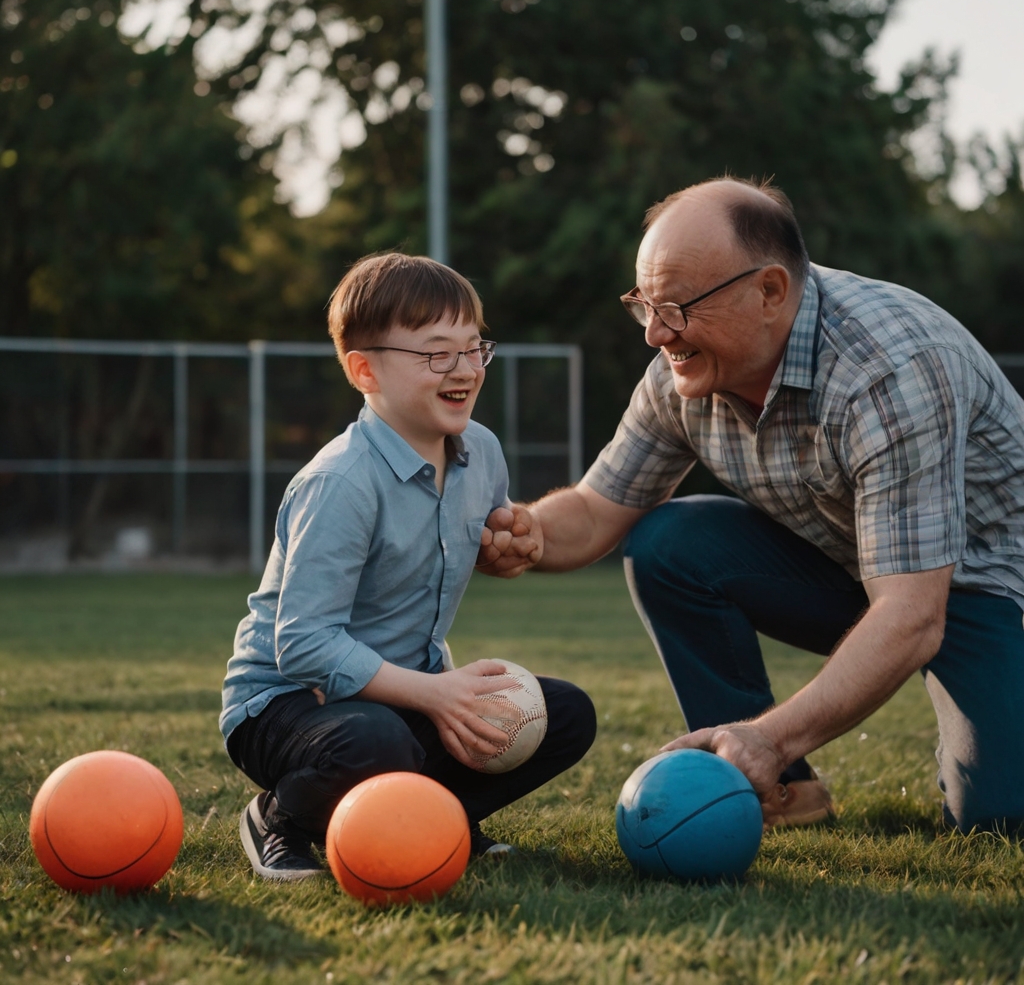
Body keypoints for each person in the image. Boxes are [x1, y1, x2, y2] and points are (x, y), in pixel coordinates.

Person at [477, 176, 1024, 834]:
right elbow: (596, 511)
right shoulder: (682, 376)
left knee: (999, 820)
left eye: (676, 307)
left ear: (769, 291)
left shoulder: (887, 371)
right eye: (643, 305)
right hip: (861, 573)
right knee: (670, 543)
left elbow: (912, 615)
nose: (655, 334)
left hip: (987, 590)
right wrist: (530, 532)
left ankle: (766, 753)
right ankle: (781, 793)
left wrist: (772, 734)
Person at [221, 253, 596, 880]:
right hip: (288, 705)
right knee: (376, 743)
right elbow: (303, 644)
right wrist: (437, 694)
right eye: (436, 354)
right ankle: (279, 817)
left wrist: (508, 544)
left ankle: (436, 817)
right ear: (364, 369)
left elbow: (481, 536)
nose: (466, 370)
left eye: (476, 349)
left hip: (405, 694)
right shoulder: (341, 481)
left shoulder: (482, 449)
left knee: (565, 715)